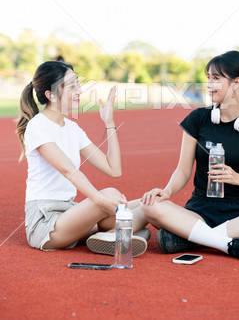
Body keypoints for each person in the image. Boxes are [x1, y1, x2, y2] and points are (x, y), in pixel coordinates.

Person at [141, 50, 239, 261]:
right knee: (151, 206)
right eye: (208, 78)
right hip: (199, 210)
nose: (209, 84)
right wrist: (167, 191)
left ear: (236, 82)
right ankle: (229, 244)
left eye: (216, 78)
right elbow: (183, 170)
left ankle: (190, 238)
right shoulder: (198, 118)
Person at [16, 60, 148, 254]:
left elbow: (113, 169)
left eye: (77, 84)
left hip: (70, 213)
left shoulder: (73, 129)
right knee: (111, 195)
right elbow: (67, 169)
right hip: (45, 222)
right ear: (50, 94)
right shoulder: (38, 126)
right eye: (71, 86)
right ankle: (111, 233)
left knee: (146, 206)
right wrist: (102, 201)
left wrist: (109, 122)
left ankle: (107, 235)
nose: (79, 90)